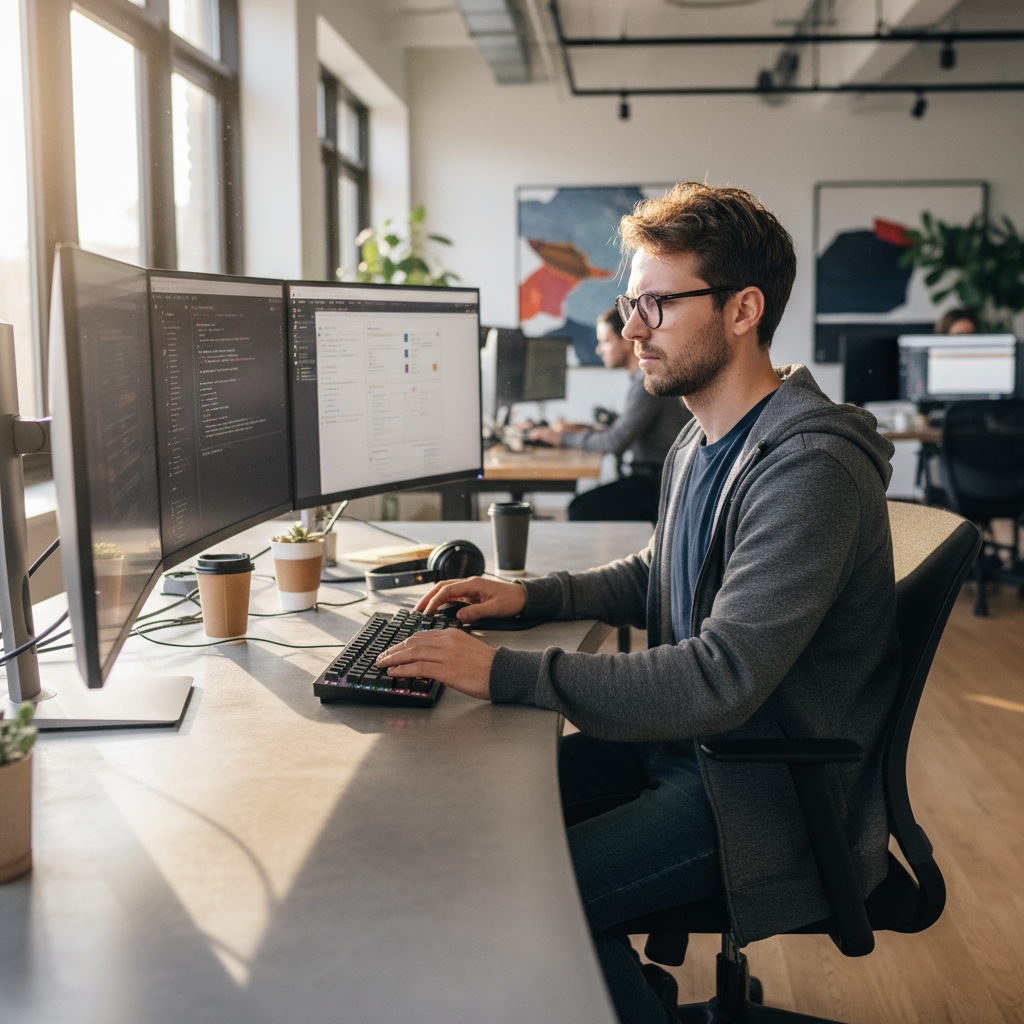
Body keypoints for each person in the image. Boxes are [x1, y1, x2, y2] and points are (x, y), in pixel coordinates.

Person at [376, 183, 900, 1024]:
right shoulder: (704, 436)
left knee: (517, 890)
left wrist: (503, 672)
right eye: (630, 302)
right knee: (470, 804)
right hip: (685, 750)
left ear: (743, 311)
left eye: (657, 302)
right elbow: (664, 571)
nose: (631, 328)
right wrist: (526, 596)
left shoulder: (811, 469)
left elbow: (720, 678)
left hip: (755, 793)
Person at [529, 307, 692, 522]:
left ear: (626, 340)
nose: (598, 350)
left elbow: (616, 442)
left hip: (658, 483)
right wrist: (582, 429)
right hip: (655, 478)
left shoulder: (646, 384)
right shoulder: (639, 380)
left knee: (581, 508)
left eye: (605, 341)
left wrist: (560, 438)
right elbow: (622, 430)